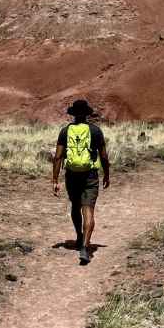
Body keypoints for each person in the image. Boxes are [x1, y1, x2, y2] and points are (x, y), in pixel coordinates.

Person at [52, 98, 110, 265]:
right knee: (88, 210)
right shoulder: (96, 131)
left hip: (71, 174)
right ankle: (85, 246)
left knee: (75, 206)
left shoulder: (65, 131)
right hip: (90, 174)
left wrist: (55, 180)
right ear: (87, 114)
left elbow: (57, 157)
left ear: (73, 115)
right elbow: (104, 156)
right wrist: (107, 174)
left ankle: (79, 236)